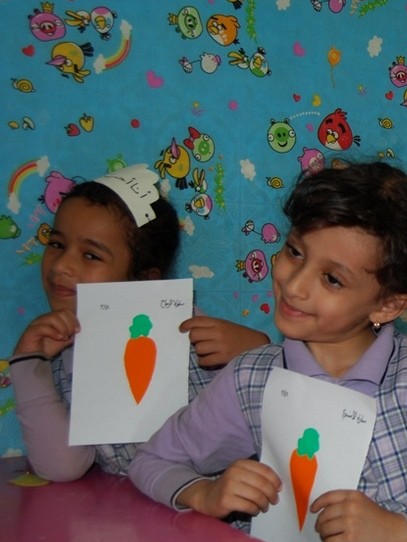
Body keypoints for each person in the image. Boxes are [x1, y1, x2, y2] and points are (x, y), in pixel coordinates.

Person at [129, 162, 407, 542]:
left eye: (332, 279)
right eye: (295, 252)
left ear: (388, 305)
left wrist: (402, 531)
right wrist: (205, 493)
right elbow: (152, 461)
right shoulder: (251, 380)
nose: (295, 285)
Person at [10, 165, 269, 482]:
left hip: (224, 497)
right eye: (57, 244)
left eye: (91, 256)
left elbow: (277, 417)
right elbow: (64, 466)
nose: (61, 266)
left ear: (146, 281)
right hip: (136, 506)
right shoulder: (60, 351)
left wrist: (259, 350)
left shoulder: (188, 328)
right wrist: (28, 363)